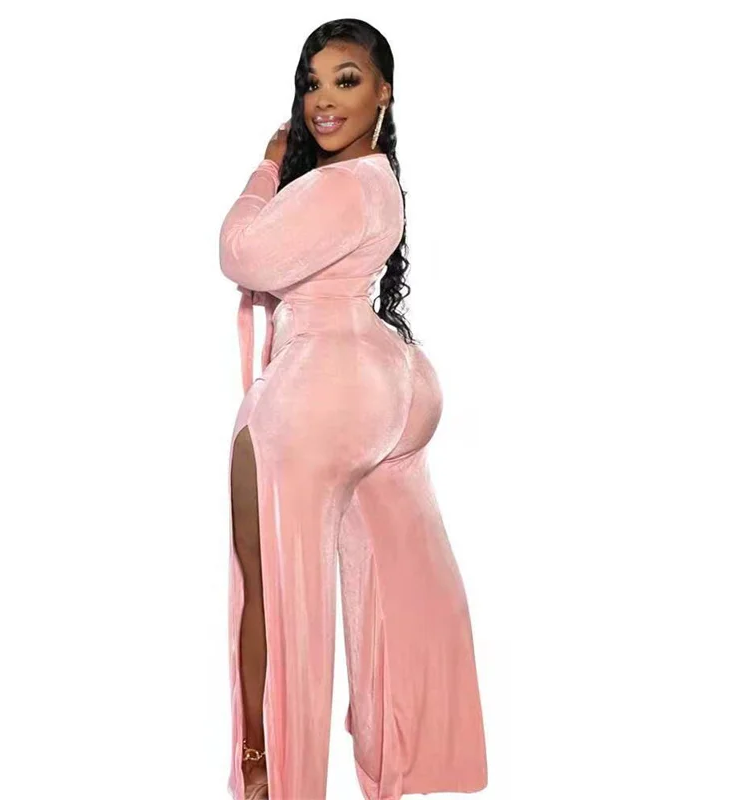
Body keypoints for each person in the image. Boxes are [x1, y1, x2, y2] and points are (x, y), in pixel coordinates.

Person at [218, 18, 489, 800]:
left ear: (384, 93)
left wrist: (265, 169)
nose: (323, 100)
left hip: (319, 397)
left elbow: (241, 253)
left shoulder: (339, 186)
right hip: (389, 384)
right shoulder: (379, 183)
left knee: (276, 595)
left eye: (347, 80)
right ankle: (397, 757)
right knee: (397, 597)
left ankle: (268, 771)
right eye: (312, 83)